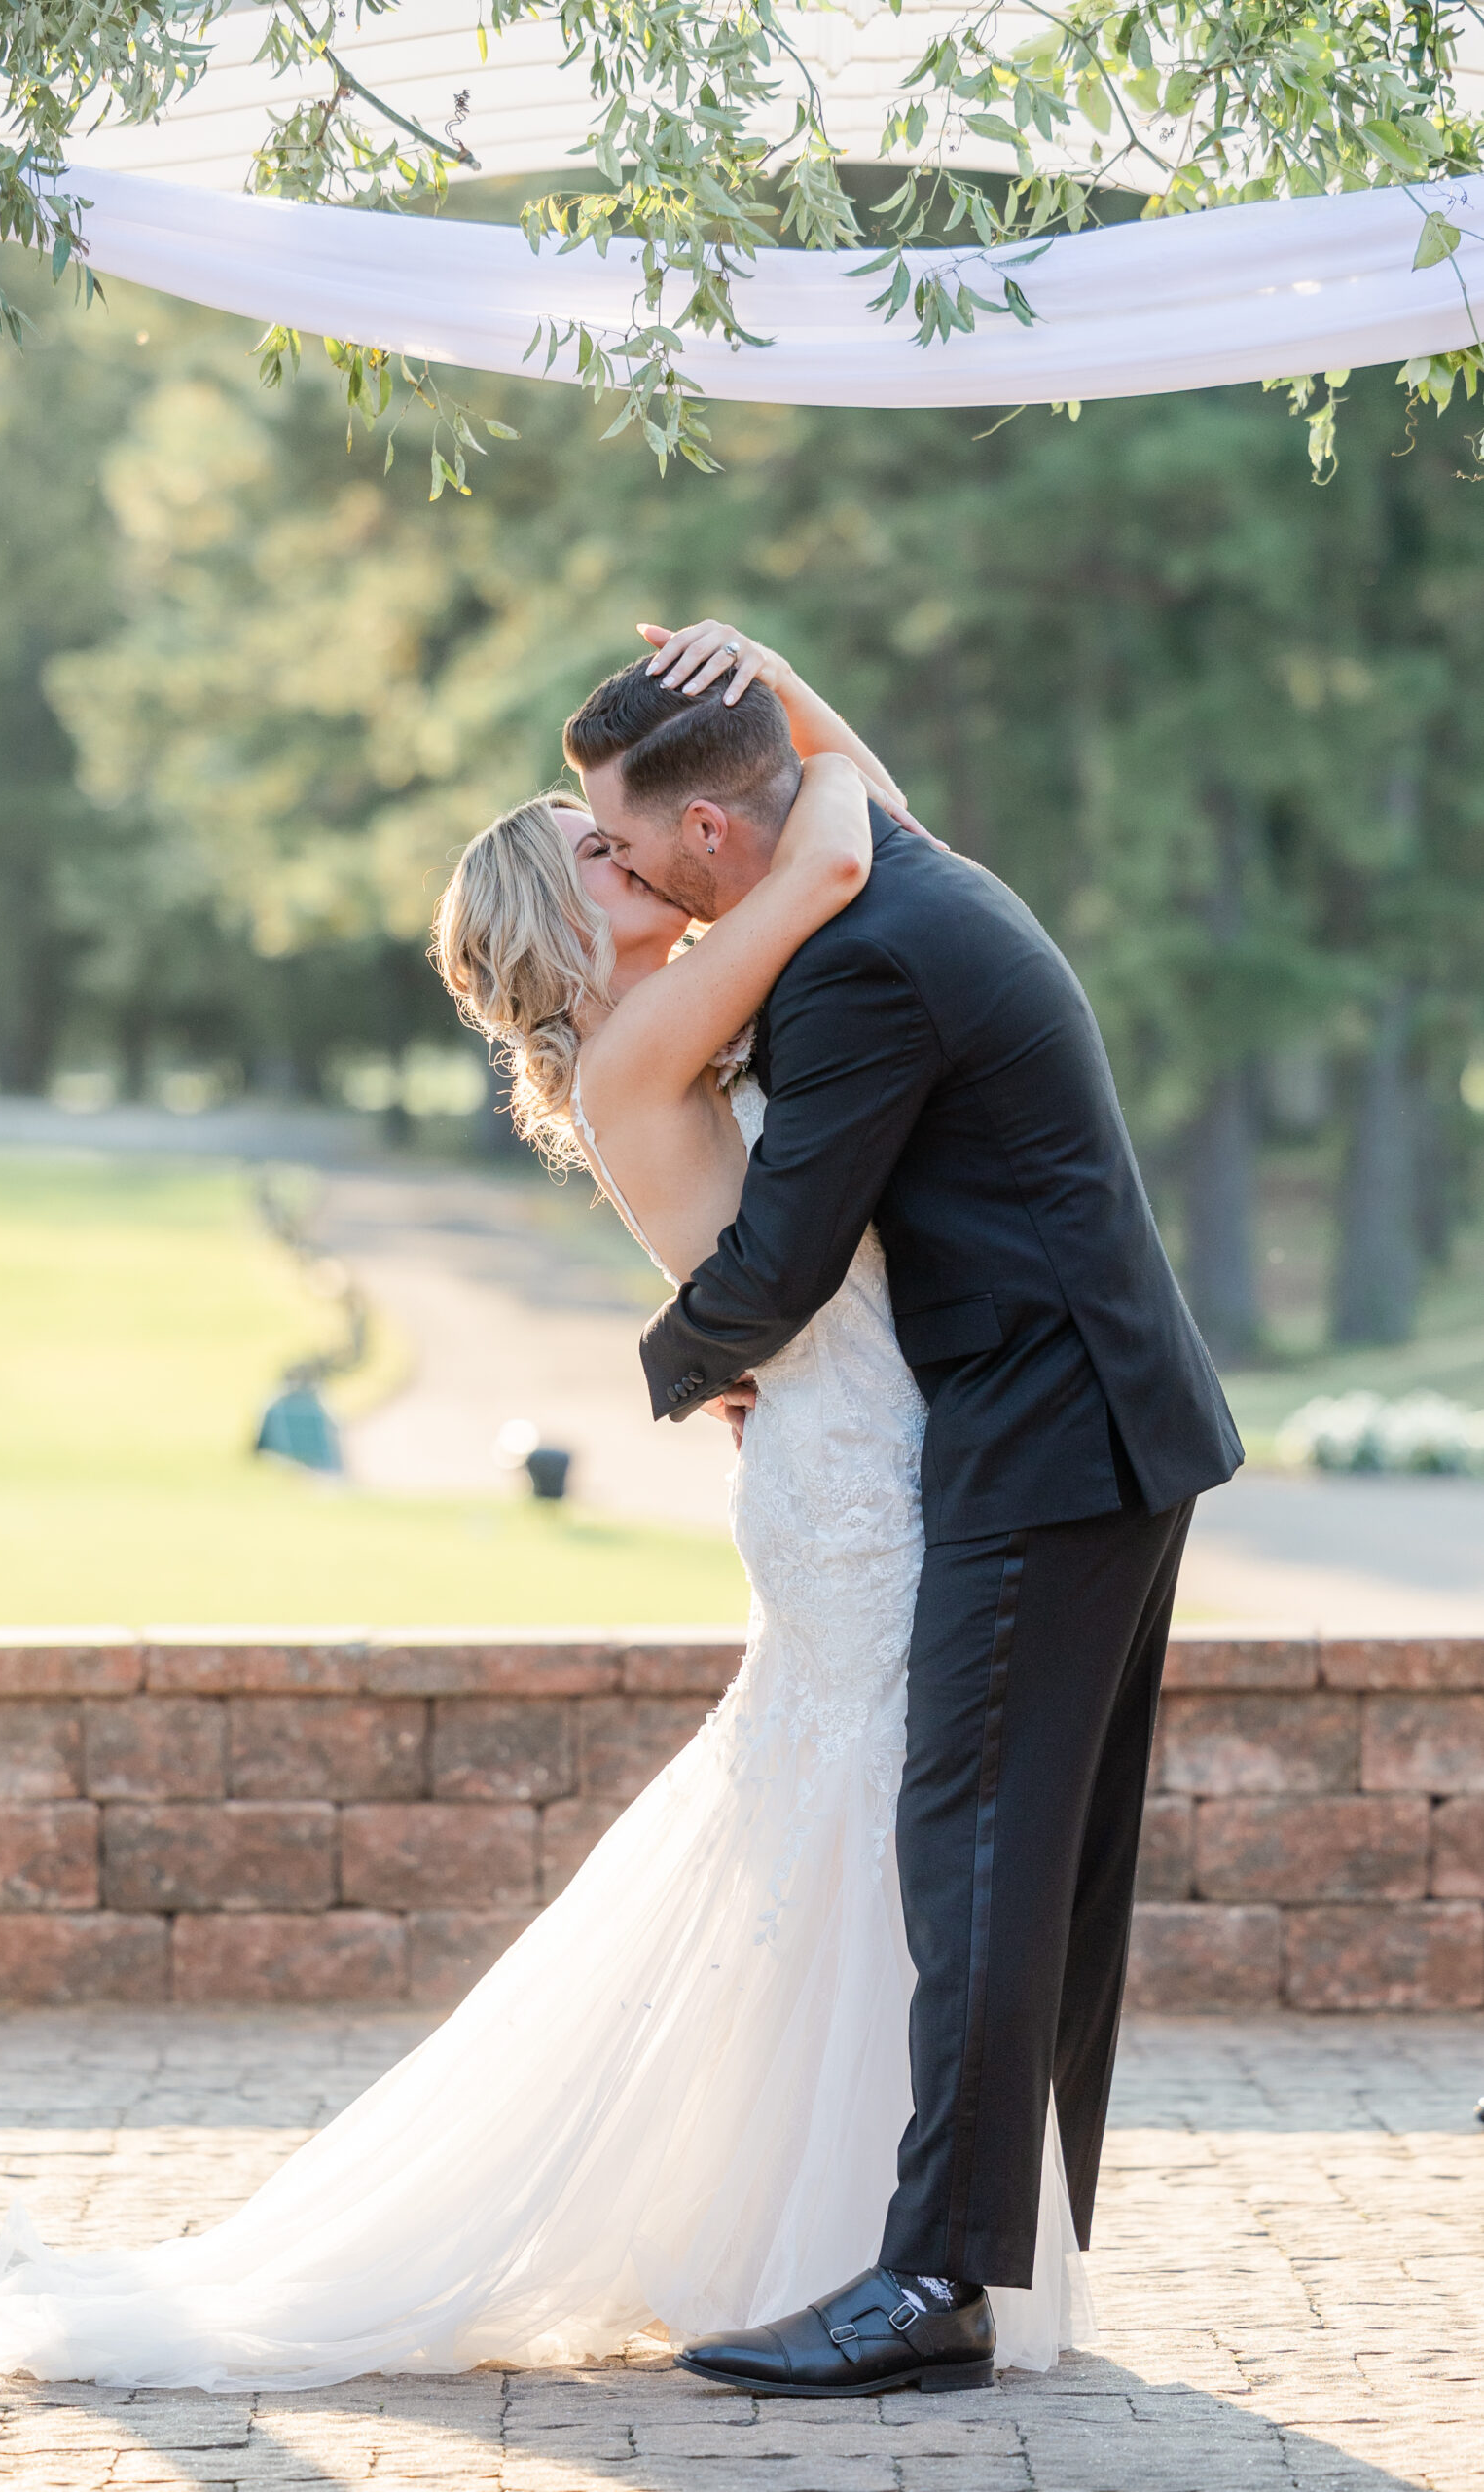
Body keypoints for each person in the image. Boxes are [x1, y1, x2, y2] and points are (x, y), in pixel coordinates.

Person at [0, 636, 1091, 2395]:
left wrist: (778, 695)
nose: (634, 857)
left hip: (867, 1452)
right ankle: (880, 2253)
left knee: (864, 1841)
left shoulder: (677, 1020)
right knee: (879, 1832)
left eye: (621, 836)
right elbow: (848, 846)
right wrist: (790, 717)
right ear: (570, 917)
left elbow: (860, 849)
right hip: (859, 1478)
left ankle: (852, 2241)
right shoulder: (649, 1038)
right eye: (601, 853)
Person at [567, 620, 1244, 2398]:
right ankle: (1026, 2250)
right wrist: (781, 682)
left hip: (1048, 1436)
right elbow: (846, 795)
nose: (619, 867)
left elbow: (780, 1264)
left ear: (713, 834)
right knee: (1048, 1863)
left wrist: (675, 1366)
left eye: (625, 841)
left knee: (980, 1848)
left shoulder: (855, 964)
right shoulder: (900, 878)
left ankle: (939, 2280)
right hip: (1108, 1419)